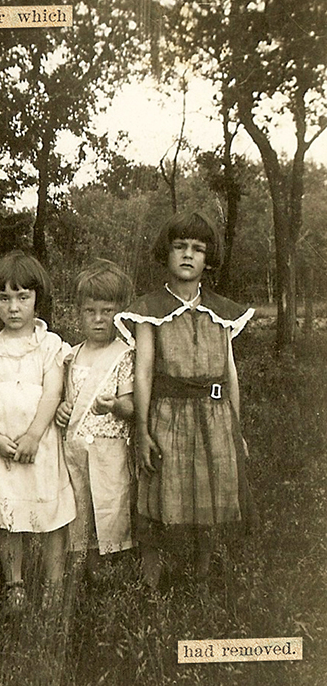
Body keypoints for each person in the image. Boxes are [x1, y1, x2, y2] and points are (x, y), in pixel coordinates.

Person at [115, 211, 256, 589]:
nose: (188, 255)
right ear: (167, 252)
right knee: (159, 494)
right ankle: (151, 577)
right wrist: (142, 430)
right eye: (180, 247)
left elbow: (230, 374)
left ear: (208, 258)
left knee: (210, 487)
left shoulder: (221, 311)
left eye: (198, 249)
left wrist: (236, 428)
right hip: (167, 414)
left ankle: (203, 572)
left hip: (214, 416)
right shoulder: (148, 309)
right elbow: (143, 372)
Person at [0, 251, 75, 613]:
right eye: (4, 298)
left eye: (23, 297)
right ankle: (15, 584)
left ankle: (54, 589)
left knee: (51, 513)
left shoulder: (50, 345)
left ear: (37, 299)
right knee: (7, 515)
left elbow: (53, 392)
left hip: (38, 442)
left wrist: (33, 436)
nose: (14, 307)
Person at [55, 260, 135, 579]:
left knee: (112, 505)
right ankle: (81, 564)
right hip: (75, 447)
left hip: (110, 448)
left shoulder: (124, 353)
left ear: (119, 312)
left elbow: (131, 406)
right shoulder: (71, 356)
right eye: (91, 311)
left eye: (107, 310)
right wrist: (62, 409)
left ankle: (111, 568)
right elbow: (66, 401)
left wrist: (115, 405)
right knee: (79, 505)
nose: (99, 319)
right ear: (79, 313)